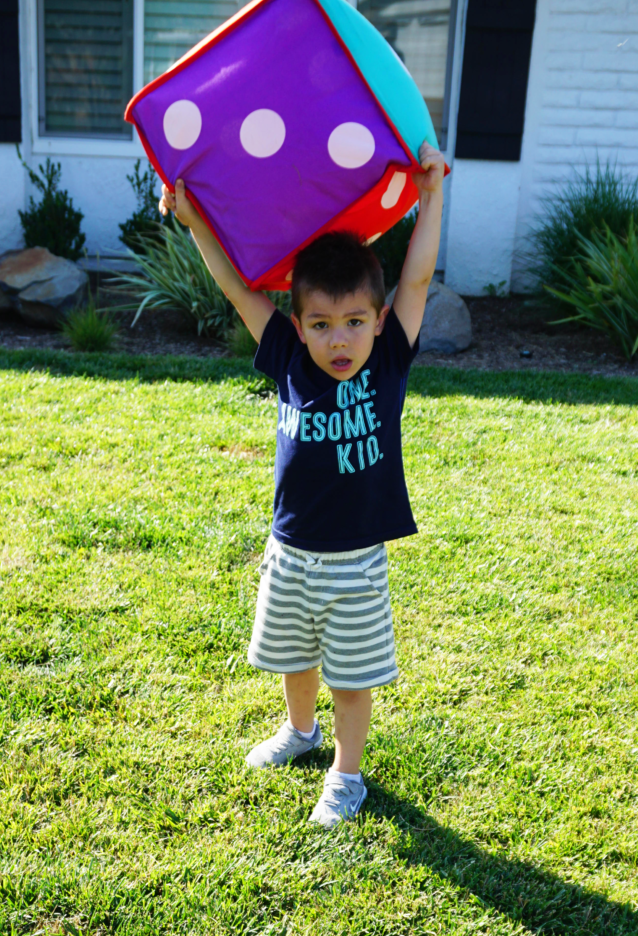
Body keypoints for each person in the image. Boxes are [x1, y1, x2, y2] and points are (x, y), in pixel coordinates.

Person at [159, 141, 446, 827]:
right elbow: (235, 288)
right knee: (293, 656)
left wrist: (431, 195)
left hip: (355, 561)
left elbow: (415, 280)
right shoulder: (288, 356)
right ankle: (300, 732)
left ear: (377, 323)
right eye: (321, 324)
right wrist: (195, 221)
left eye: (353, 323)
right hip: (289, 551)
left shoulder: (387, 362)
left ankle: (347, 776)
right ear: (299, 326)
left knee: (350, 676)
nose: (338, 340)